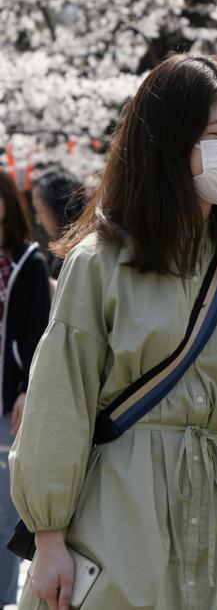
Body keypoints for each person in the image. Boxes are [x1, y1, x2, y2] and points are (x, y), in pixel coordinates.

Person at [11, 53, 217, 609]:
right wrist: (49, 537)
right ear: (167, 142)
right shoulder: (101, 262)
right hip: (117, 502)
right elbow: (59, 403)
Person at [0, 170, 51, 607]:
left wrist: (24, 389)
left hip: (8, 401)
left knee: (3, 514)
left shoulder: (29, 262)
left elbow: (37, 333)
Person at [28, 165, 84, 281]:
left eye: (40, 210)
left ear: (58, 207)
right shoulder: (59, 249)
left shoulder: (80, 254)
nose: (38, 220)